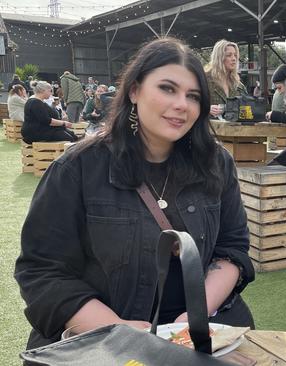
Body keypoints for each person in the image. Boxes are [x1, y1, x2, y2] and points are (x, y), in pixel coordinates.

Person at [15, 37, 255, 350]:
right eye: (167, 88)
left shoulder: (216, 163)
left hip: (201, 331)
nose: (182, 104)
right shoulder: (78, 168)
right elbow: (42, 271)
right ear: (134, 90)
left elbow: (232, 249)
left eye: (193, 96)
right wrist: (120, 329)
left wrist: (193, 316)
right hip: (102, 338)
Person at [204, 39, 247, 117]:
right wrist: (205, 109)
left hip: (235, 129)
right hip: (208, 127)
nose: (234, 59)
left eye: (235, 55)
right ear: (219, 58)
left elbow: (248, 111)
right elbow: (190, 104)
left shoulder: (239, 87)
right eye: (229, 55)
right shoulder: (204, 80)